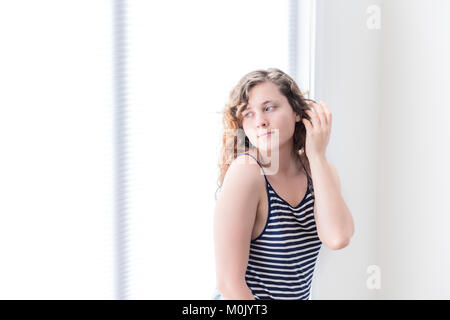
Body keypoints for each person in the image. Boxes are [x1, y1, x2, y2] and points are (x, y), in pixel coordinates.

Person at [212, 68, 355, 300]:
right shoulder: (247, 172)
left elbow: (338, 237)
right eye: (248, 114)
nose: (260, 122)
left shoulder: (319, 172)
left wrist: (317, 156)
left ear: (297, 112)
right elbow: (229, 285)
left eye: (269, 108)